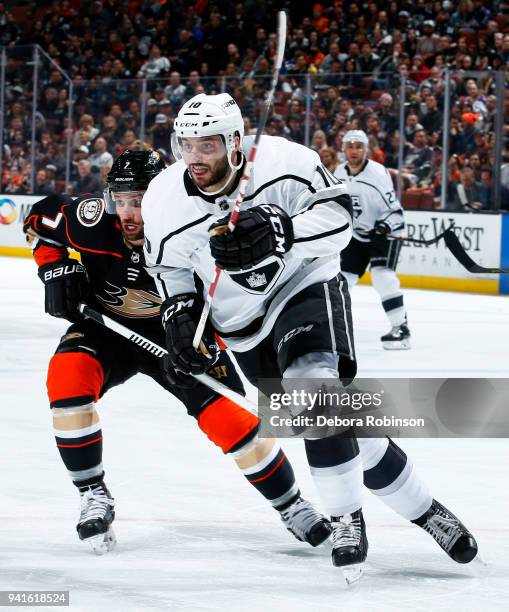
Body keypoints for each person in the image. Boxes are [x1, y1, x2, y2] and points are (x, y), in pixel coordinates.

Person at [142, 94, 477, 571]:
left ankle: (344, 518)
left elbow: (341, 220)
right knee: (350, 430)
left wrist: (284, 229)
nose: (194, 157)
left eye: (208, 144)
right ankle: (429, 512)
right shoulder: (163, 199)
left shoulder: (287, 160)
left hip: (305, 284)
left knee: (313, 388)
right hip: (241, 327)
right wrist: (179, 320)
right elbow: (171, 271)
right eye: (186, 145)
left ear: (236, 142)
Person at [23, 149, 332, 555]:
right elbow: (38, 218)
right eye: (123, 199)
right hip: (105, 329)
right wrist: (56, 268)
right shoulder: (93, 220)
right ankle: (92, 492)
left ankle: (292, 506)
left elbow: (233, 302)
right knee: (66, 382)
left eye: (142, 200)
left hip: (179, 333)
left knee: (234, 423)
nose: (130, 212)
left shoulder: (193, 228)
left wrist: (204, 342)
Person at [335, 130, 410, 349]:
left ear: (366, 149)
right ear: (343, 149)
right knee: (341, 280)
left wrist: (384, 225)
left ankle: (402, 330)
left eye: (359, 146)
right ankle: (334, 329)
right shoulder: (339, 172)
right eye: (350, 146)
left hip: (387, 231)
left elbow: (394, 209)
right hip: (357, 233)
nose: (354, 150)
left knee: (382, 276)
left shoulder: (378, 173)